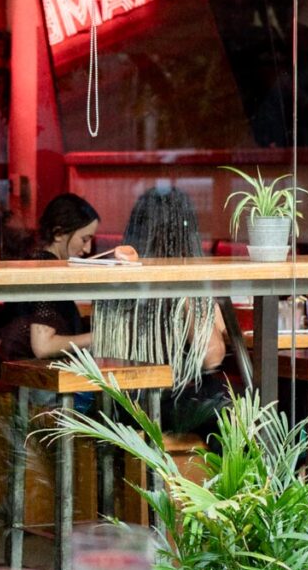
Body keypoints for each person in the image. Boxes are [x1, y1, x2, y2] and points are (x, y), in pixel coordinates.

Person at [92, 185, 228, 432]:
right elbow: (212, 356)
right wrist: (192, 293)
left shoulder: (115, 280)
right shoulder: (175, 283)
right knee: (247, 409)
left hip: (117, 405)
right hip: (160, 405)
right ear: (181, 232)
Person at [0, 192, 100, 361]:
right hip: (33, 380)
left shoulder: (37, 262)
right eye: (84, 239)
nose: (88, 249)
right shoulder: (45, 268)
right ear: (58, 233)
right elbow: (43, 346)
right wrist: (101, 337)